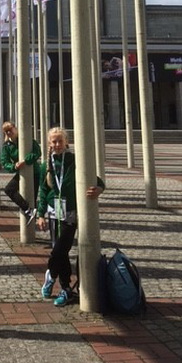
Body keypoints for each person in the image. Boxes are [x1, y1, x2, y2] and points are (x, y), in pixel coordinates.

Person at [37, 126, 105, 307]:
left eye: (60, 141)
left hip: (71, 213)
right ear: (49, 144)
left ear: (66, 142)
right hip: (54, 212)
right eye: (54, 141)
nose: (57, 144)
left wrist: (99, 188)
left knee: (59, 250)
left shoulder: (75, 161)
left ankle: (51, 275)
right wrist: (40, 214)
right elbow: (43, 191)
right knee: (62, 253)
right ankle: (66, 288)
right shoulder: (46, 165)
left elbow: (96, 180)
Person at [0, 122, 40, 224]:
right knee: (9, 189)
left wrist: (26, 160)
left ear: (15, 128)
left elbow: (37, 152)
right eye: (6, 131)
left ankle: (33, 225)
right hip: (21, 172)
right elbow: (4, 162)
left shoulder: (25, 139)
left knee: (33, 198)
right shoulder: (7, 146)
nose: (9, 132)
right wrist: (14, 166)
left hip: (34, 171)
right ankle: (27, 209)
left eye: (10, 129)